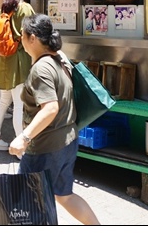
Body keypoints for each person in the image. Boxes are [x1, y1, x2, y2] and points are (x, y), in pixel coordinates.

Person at [9, 13, 100, 225]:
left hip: (45, 147)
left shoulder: (42, 69)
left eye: (22, 35)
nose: (20, 39)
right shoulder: (60, 58)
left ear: (32, 38)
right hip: (67, 141)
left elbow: (50, 108)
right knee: (63, 195)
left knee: (32, 202)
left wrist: (24, 137)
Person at [0, 0, 35, 153]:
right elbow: (31, 38)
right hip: (19, 61)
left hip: (4, 59)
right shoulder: (25, 8)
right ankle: (20, 148)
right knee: (19, 105)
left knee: (4, 101)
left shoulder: (5, 6)